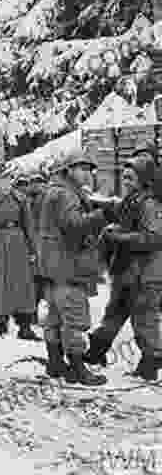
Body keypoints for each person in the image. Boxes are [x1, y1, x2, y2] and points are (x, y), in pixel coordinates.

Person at [37, 150, 118, 385]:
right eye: (81, 168)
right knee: (74, 317)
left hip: (52, 267)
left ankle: (54, 362)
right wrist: (103, 215)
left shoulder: (55, 190)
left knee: (54, 317)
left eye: (88, 169)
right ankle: (78, 367)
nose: (86, 173)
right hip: (68, 265)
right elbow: (75, 226)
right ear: (68, 170)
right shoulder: (67, 195)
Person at [85, 157, 162, 380]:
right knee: (114, 314)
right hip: (127, 272)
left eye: (131, 177)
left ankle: (150, 363)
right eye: (124, 177)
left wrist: (117, 237)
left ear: (143, 179)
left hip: (145, 274)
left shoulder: (149, 204)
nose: (126, 181)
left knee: (144, 319)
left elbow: (154, 238)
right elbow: (115, 208)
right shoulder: (132, 201)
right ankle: (96, 351)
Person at [0, 161, 39, 339]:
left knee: (23, 286)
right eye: (2, 178)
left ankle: (25, 326)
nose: (6, 181)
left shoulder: (20, 199)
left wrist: (33, 250)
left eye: (9, 177)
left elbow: (29, 227)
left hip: (19, 246)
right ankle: (1, 323)